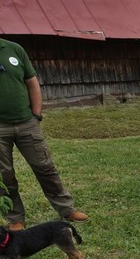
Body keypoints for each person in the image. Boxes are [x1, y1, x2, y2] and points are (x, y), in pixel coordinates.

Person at [0, 38, 88, 230]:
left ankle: (66, 209)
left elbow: (32, 82)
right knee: (3, 175)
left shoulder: (14, 49)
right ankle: (15, 219)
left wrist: (36, 115)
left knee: (45, 167)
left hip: (26, 122)